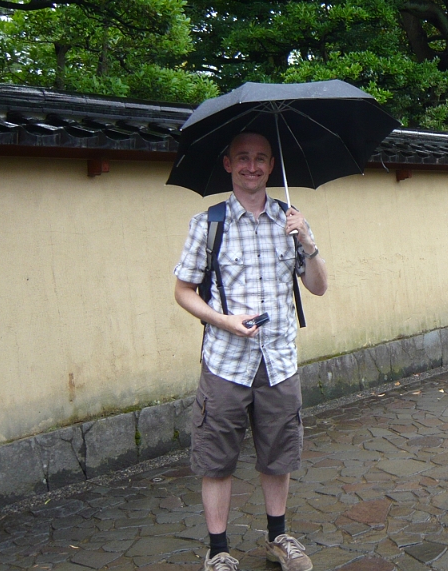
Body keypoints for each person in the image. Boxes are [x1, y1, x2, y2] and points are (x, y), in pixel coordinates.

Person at [174, 132, 328, 571]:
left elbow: (318, 287)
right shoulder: (209, 223)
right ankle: (218, 550)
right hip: (226, 362)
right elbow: (183, 291)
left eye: (261, 158)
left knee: (278, 454)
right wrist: (222, 321)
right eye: (243, 158)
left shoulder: (291, 220)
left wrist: (307, 243)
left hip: (279, 360)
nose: (252, 166)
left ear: (272, 164)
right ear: (228, 164)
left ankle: (278, 538)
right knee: (217, 459)